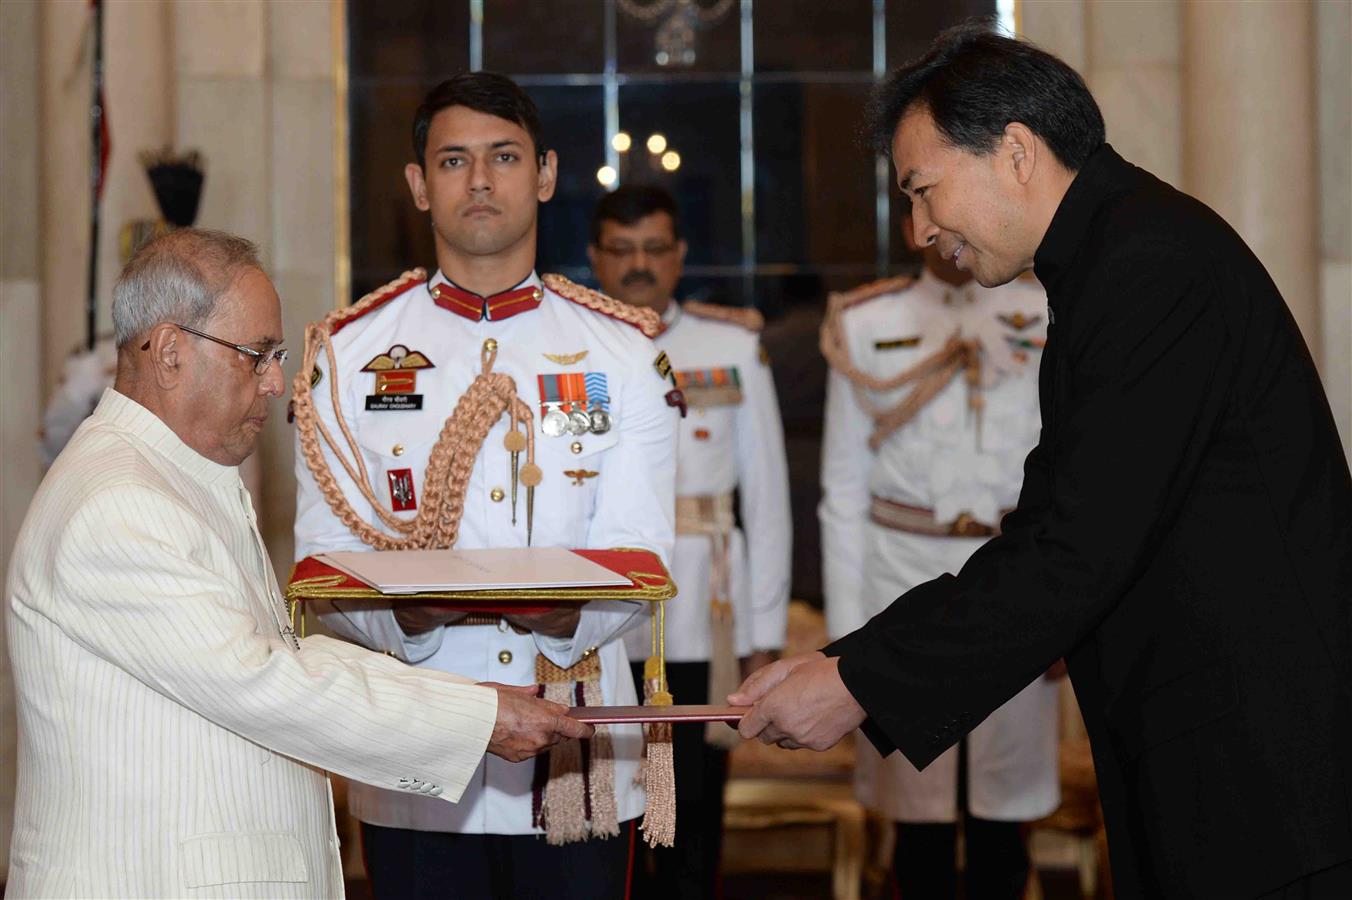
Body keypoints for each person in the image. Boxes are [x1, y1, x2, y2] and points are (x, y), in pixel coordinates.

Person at [733, 25, 1352, 900]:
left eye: (923, 190)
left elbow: (1074, 546)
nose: (918, 230)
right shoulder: (1115, 255)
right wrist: (853, 659)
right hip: (1219, 767)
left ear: (1015, 152)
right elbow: (1061, 522)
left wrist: (858, 682)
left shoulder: (1149, 266)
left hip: (1262, 782)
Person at [4, 228, 591, 898]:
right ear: (169, 353)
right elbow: (266, 684)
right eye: (256, 355)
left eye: (276, 355)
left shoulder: (165, 480)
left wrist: (471, 700)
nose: (277, 382)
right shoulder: (119, 503)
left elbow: (276, 657)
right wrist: (475, 721)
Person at [293, 73, 679, 900]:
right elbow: (323, 559)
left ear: (543, 174)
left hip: (575, 744)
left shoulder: (623, 354)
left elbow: (642, 552)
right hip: (417, 750)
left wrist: (566, 615)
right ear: (417, 186)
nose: (478, 181)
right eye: (453, 160)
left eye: (502, 157)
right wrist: (406, 617)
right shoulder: (350, 353)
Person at [819, 205, 1059, 898]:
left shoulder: (1048, 308)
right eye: (929, 212)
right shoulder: (865, 323)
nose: (949, 230)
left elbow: (1076, 477)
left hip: (1015, 572)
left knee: (1002, 818)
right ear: (910, 227)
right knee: (914, 816)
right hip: (900, 573)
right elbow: (842, 493)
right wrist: (845, 638)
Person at [587, 184, 791, 898]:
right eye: (622, 250)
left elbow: (765, 499)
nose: (638, 265)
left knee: (695, 807)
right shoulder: (574, 345)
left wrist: (765, 630)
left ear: (678, 256)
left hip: (704, 611)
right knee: (601, 801)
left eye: (653, 249)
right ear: (596, 258)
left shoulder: (730, 346)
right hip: (600, 612)